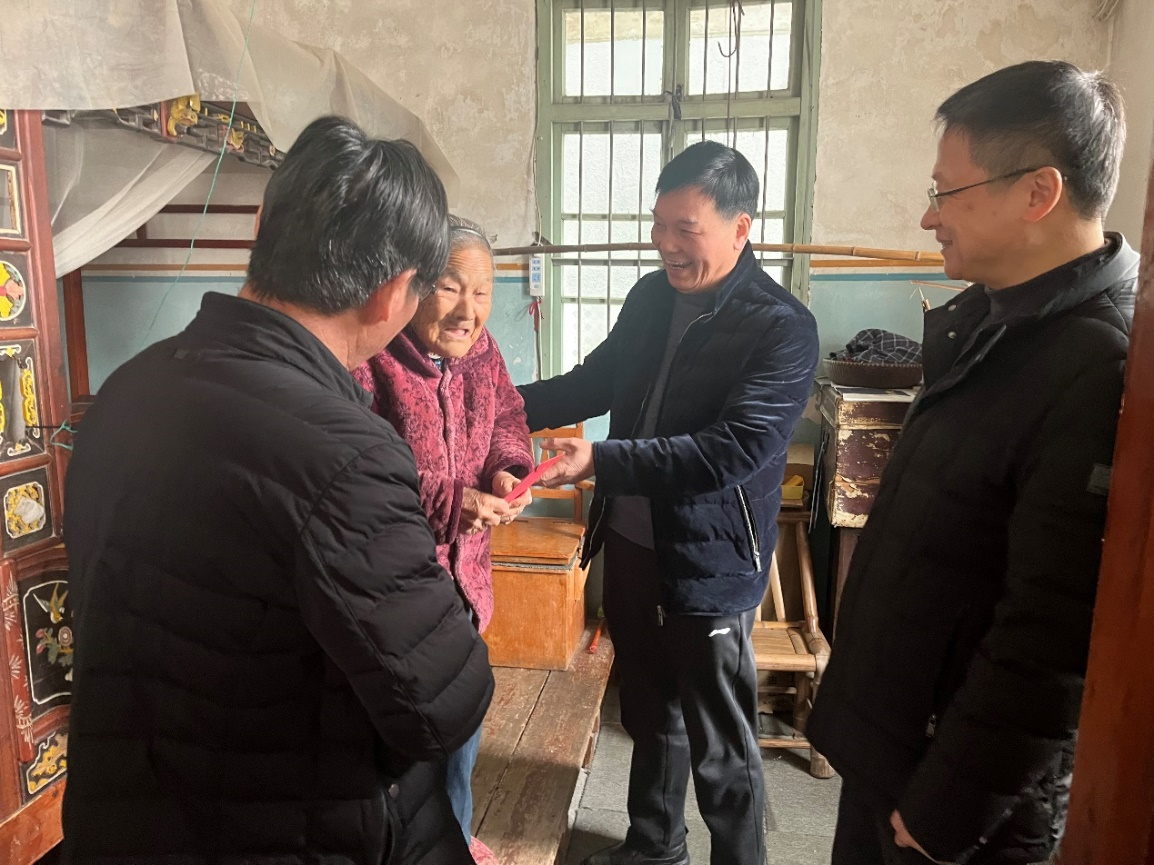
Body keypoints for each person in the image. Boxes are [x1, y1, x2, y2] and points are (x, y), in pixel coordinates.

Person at [62, 116, 493, 865]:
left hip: (126, 819)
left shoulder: (129, 388)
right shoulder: (348, 456)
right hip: (278, 834)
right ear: (394, 294)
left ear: (260, 226)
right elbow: (442, 704)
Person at [807, 60, 1137, 865]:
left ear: (1038, 192)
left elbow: (1051, 640)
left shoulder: (1098, 367)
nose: (928, 217)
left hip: (951, 809)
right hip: (897, 756)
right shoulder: (993, 322)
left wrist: (944, 812)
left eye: (946, 192)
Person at [519, 140, 819, 865]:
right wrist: (492, 403)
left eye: (686, 228)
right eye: (659, 225)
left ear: (741, 228)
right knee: (649, 711)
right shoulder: (651, 298)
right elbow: (593, 382)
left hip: (712, 561)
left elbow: (731, 452)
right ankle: (655, 846)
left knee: (722, 744)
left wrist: (600, 459)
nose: (666, 244)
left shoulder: (781, 326)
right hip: (631, 542)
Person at [353, 214, 534, 863]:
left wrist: (507, 467)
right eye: (452, 287)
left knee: (461, 732)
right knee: (399, 755)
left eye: (482, 291)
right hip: (397, 597)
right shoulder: (371, 358)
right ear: (412, 284)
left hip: (468, 589)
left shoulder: (483, 353)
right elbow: (356, 474)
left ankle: (453, 839)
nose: (468, 310)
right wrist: (449, 502)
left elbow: (509, 414)